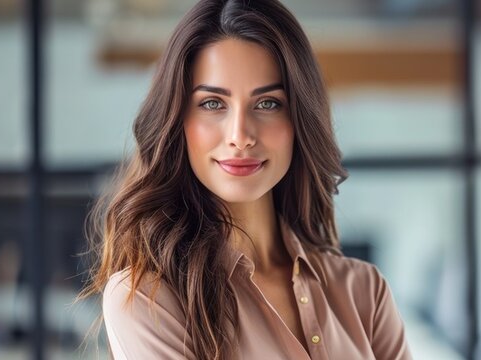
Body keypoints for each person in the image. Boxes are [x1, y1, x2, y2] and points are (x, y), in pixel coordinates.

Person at [78, 0, 413, 359]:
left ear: (299, 118)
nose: (240, 136)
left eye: (268, 103)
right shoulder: (147, 300)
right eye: (212, 103)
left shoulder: (365, 292)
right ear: (177, 119)